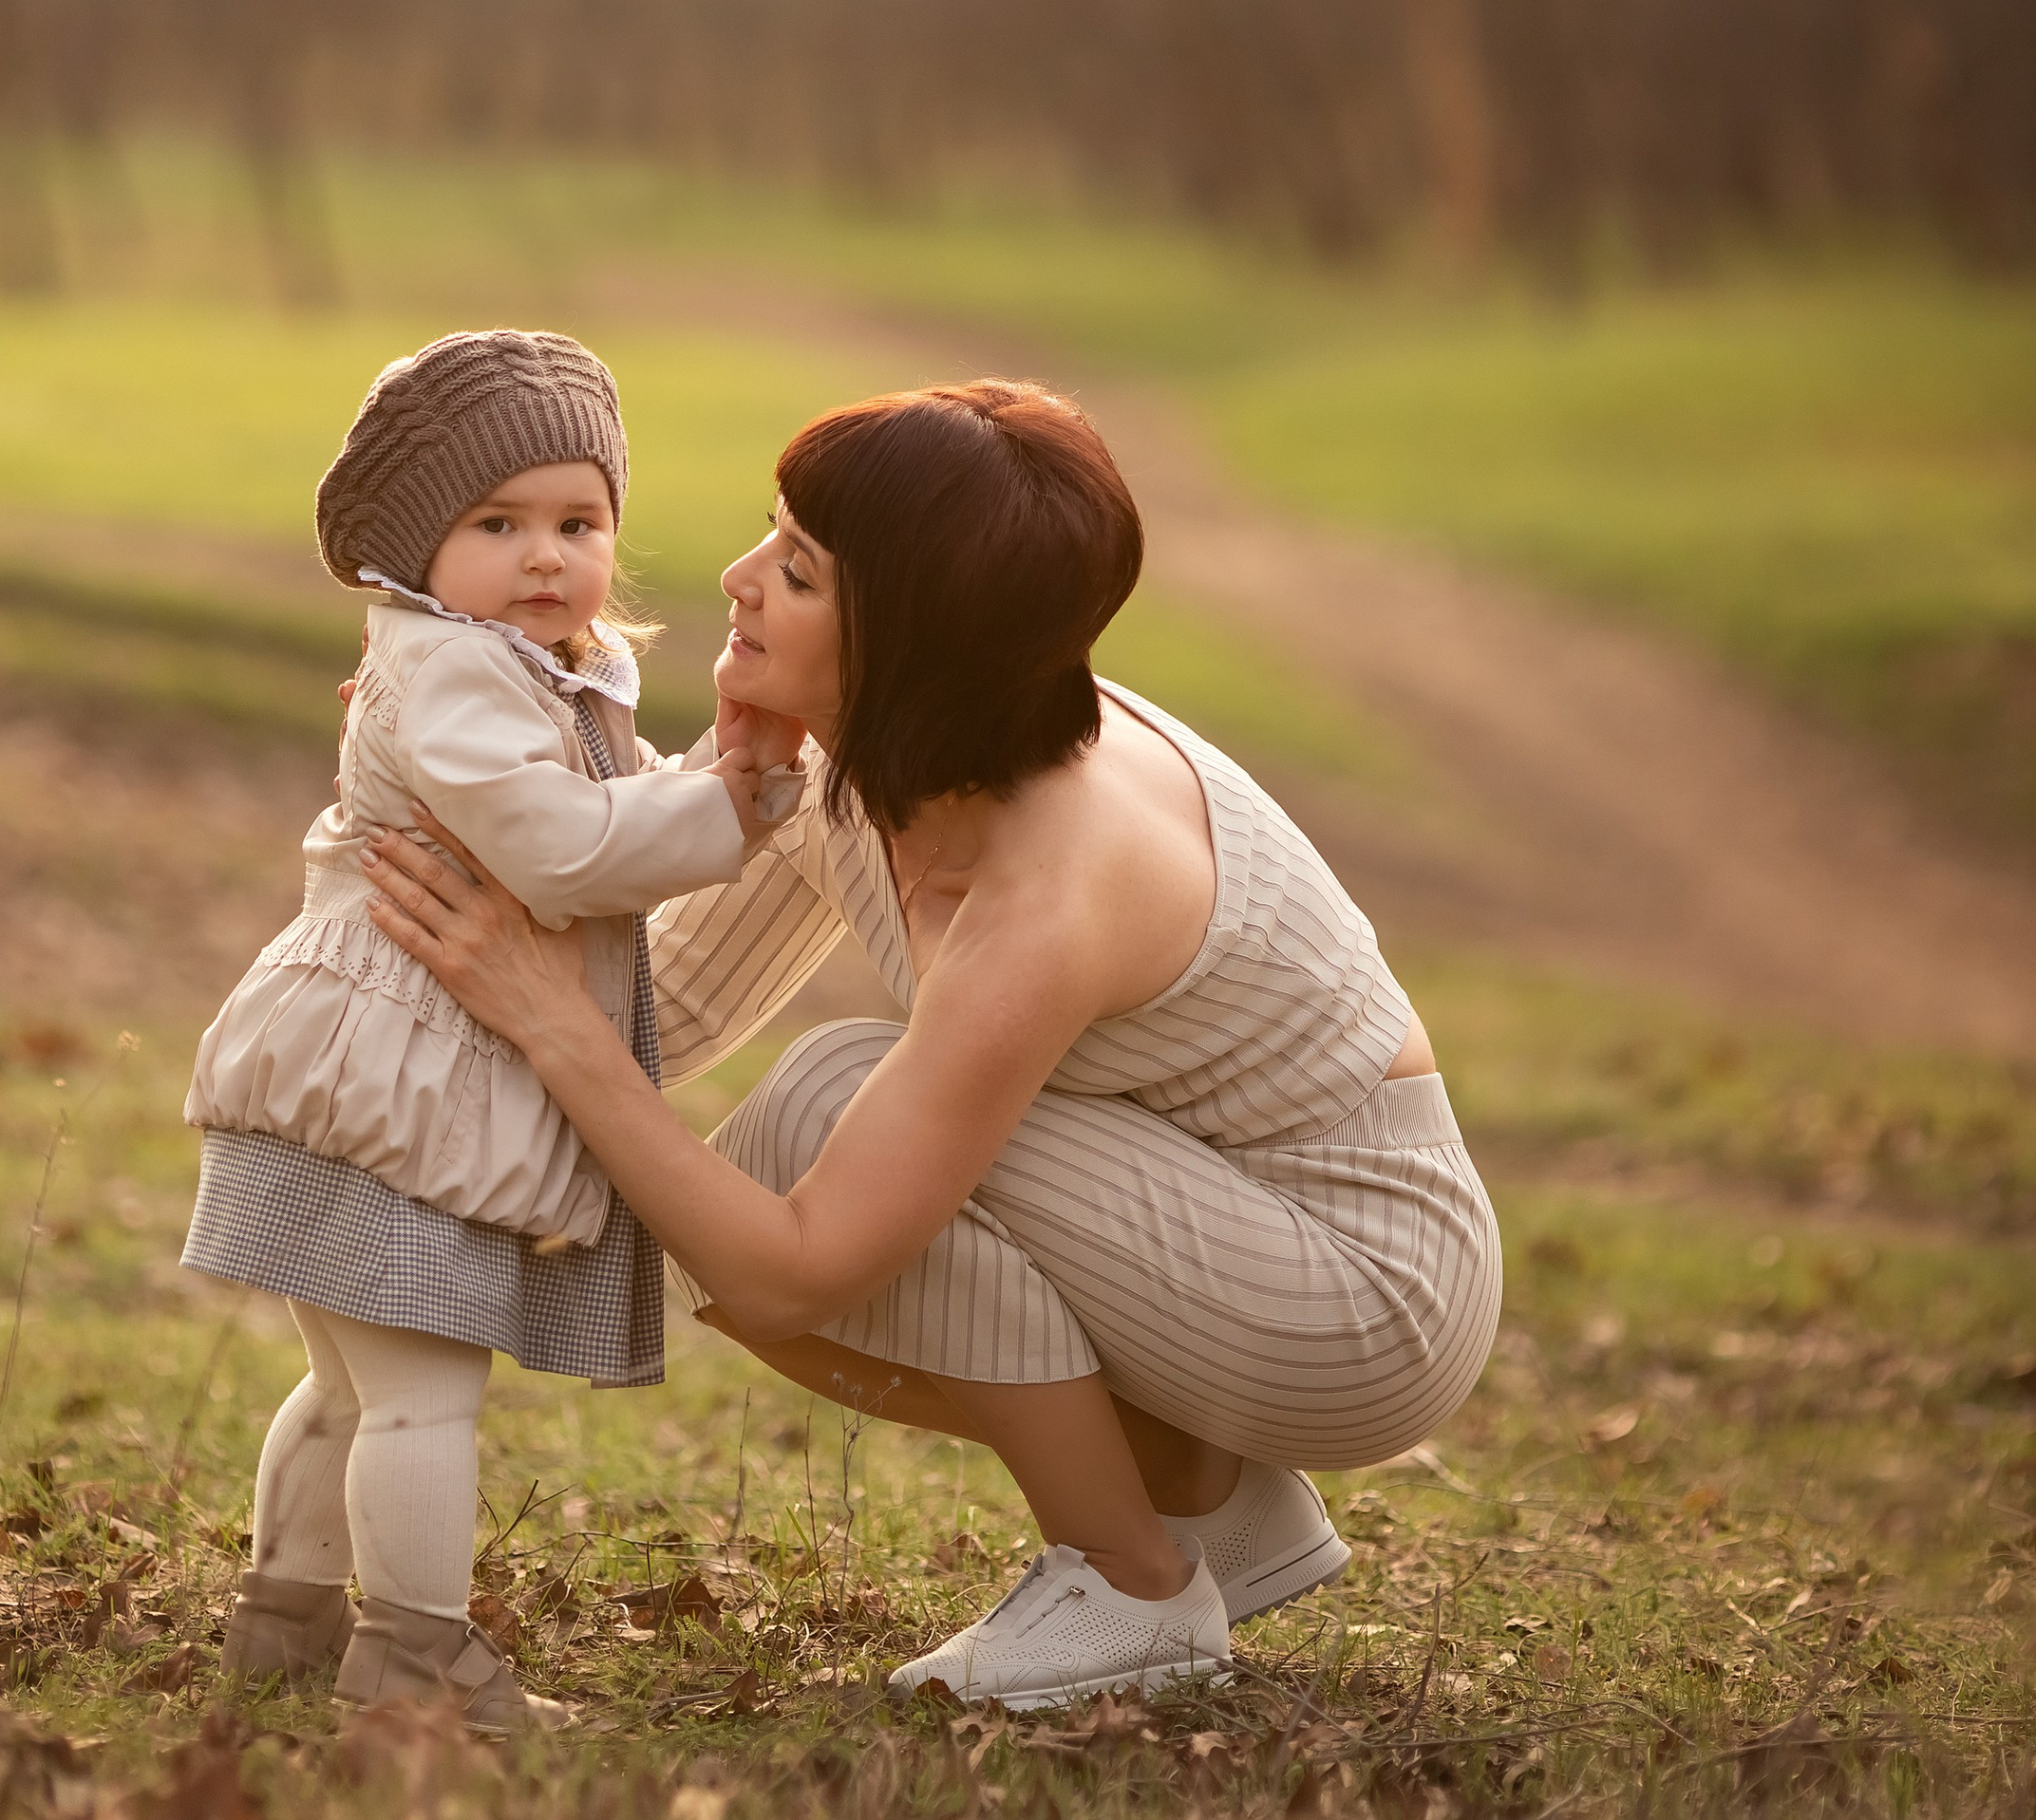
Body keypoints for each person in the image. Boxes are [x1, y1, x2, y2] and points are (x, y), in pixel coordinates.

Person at [363, 378, 1504, 1715]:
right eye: (768, 536)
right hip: (1205, 1209)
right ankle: (1204, 1497)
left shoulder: (1048, 889)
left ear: (904, 635)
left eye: (794, 571)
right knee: (783, 1140)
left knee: (816, 1124)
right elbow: (666, 999)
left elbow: (790, 1269)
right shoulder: (886, 750)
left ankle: (1135, 1581)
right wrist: (439, 720)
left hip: (1360, 1292)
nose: (735, 579)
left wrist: (557, 1027)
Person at [179, 329, 790, 1731]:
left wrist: (712, 771)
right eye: (497, 522)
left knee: (349, 1384)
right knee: (418, 1395)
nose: (546, 555)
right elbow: (567, 852)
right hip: (393, 1087)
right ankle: (414, 1663)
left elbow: (616, 805)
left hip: (366, 1072)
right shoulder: (450, 675)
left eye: (578, 522)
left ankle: (284, 1619)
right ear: (412, 551)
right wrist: (735, 807)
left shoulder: (537, 670)